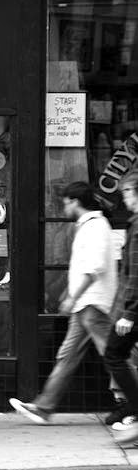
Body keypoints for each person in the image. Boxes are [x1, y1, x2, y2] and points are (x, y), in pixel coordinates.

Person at [9, 181, 117, 424]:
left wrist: (72, 297)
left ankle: (130, 401)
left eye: (66, 203)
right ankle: (43, 407)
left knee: (116, 357)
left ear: (76, 202)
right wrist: (71, 295)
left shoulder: (96, 227)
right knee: (68, 356)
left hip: (93, 305)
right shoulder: (88, 226)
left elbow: (94, 269)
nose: (64, 208)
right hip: (85, 306)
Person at [101, 173, 138, 444]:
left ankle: (134, 407)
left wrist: (129, 313)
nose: (124, 198)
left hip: (133, 308)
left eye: (126, 192)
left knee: (114, 353)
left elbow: (136, 273)